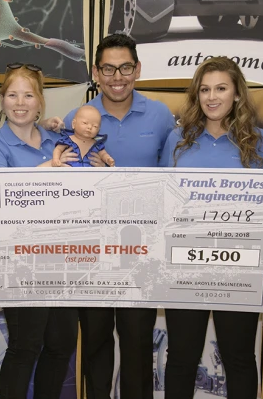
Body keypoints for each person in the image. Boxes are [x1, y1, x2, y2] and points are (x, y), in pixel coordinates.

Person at [63, 33, 175, 399]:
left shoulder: (160, 116)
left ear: (138, 69)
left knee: (138, 343)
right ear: (96, 72)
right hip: (91, 254)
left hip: (141, 254)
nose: (117, 76)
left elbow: (173, 181)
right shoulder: (76, 119)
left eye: (125, 67)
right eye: (108, 68)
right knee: (94, 341)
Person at [160, 56, 263, 398]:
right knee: (181, 357)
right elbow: (164, 202)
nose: (212, 97)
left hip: (238, 268)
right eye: (205, 89)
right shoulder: (177, 140)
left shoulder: (261, 143)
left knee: (239, 357)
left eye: (221, 88)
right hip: (185, 265)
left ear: (237, 93)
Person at [0, 63, 79, 399]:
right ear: (2, 99)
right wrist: (50, 166)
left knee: (61, 344)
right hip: (19, 261)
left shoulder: (58, 140)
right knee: (25, 347)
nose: (19, 103)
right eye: (11, 95)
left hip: (63, 260)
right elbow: (0, 197)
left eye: (28, 95)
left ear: (40, 102)